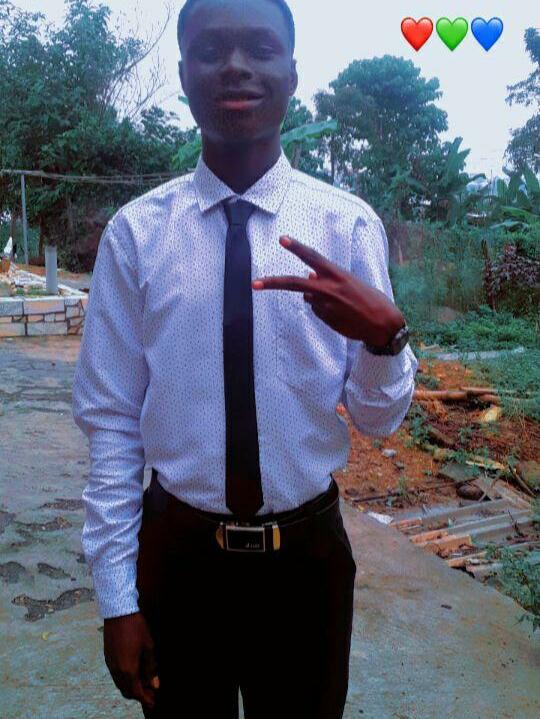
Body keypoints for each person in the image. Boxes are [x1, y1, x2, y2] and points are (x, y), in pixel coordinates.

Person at [71, 0, 418, 717]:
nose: (235, 67)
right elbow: (112, 424)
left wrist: (385, 342)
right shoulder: (137, 236)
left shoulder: (346, 228)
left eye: (260, 49)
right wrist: (117, 598)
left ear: (292, 73)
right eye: (211, 51)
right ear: (182, 74)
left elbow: (378, 421)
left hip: (307, 567)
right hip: (177, 561)